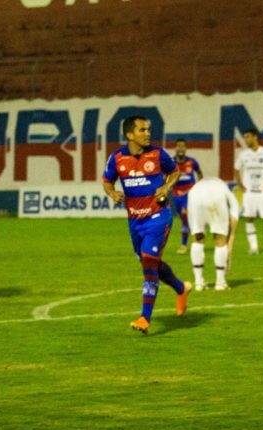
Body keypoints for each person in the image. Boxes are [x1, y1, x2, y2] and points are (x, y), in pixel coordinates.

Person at [102, 115, 192, 335]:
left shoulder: (158, 154)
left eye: (148, 129)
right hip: (135, 221)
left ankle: (145, 317)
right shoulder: (117, 158)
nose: (147, 133)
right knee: (150, 261)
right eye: (142, 130)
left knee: (149, 264)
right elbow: (106, 180)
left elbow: (174, 172)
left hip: (158, 216)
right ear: (129, 134)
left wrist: (166, 187)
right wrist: (112, 192)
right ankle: (181, 288)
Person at [186, 176, 239, 291]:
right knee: (220, 239)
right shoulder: (226, 191)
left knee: (197, 237)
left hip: (194, 194)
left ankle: (199, 283)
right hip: (216, 196)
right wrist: (229, 250)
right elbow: (233, 224)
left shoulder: (201, 185)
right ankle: (220, 283)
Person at [171, 138, 204, 254]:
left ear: (186, 149)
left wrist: (198, 187)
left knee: (185, 215)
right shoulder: (171, 163)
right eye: (178, 146)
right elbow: (164, 177)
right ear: (175, 148)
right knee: (186, 219)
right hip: (176, 196)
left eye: (183, 146)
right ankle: (198, 235)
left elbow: (199, 173)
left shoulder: (192, 162)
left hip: (190, 195)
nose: (180, 148)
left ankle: (184, 245)